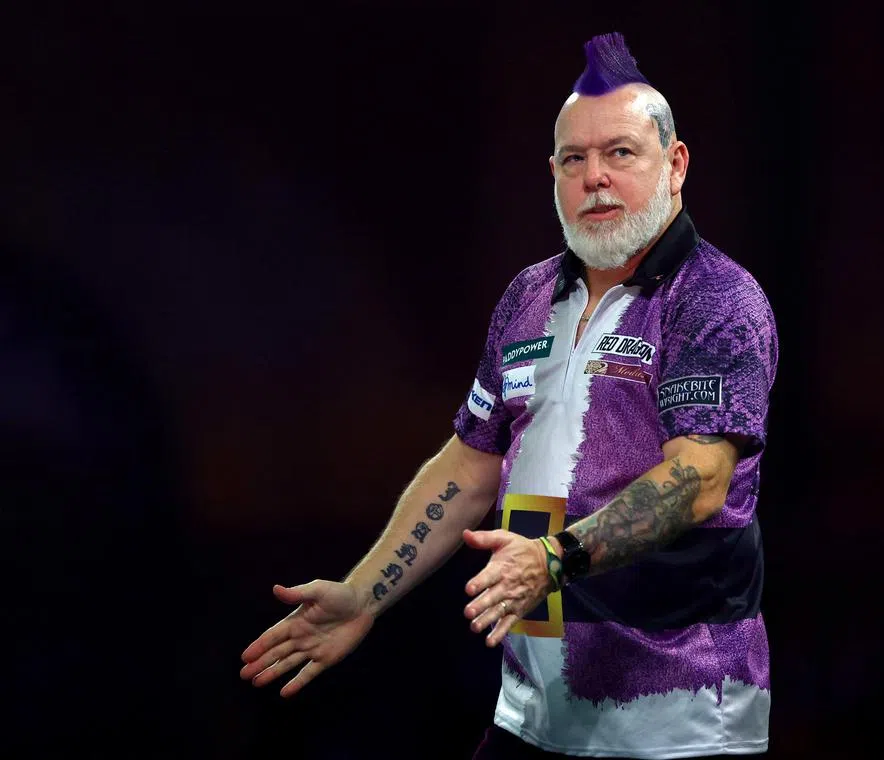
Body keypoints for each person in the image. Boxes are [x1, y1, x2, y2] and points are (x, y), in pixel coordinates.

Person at [240, 32, 778, 759]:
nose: (595, 178)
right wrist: (363, 594)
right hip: (530, 719)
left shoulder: (715, 298)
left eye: (621, 153)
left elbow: (700, 481)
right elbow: (468, 468)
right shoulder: (529, 298)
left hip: (680, 725)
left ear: (675, 164)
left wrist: (553, 559)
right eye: (573, 159)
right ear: (551, 174)